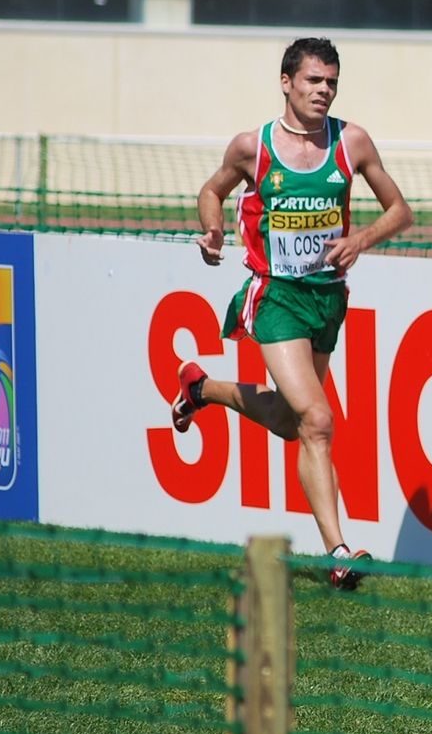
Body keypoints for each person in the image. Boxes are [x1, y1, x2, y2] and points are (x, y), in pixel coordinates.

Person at [169, 36, 414, 590]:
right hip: (275, 294)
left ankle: (201, 389)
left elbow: (400, 209)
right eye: (313, 81)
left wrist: (362, 238)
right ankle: (341, 552)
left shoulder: (351, 141)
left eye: (331, 83)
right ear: (287, 83)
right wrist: (211, 230)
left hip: (327, 298)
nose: (323, 91)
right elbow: (212, 190)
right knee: (319, 421)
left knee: (290, 422)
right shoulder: (252, 147)